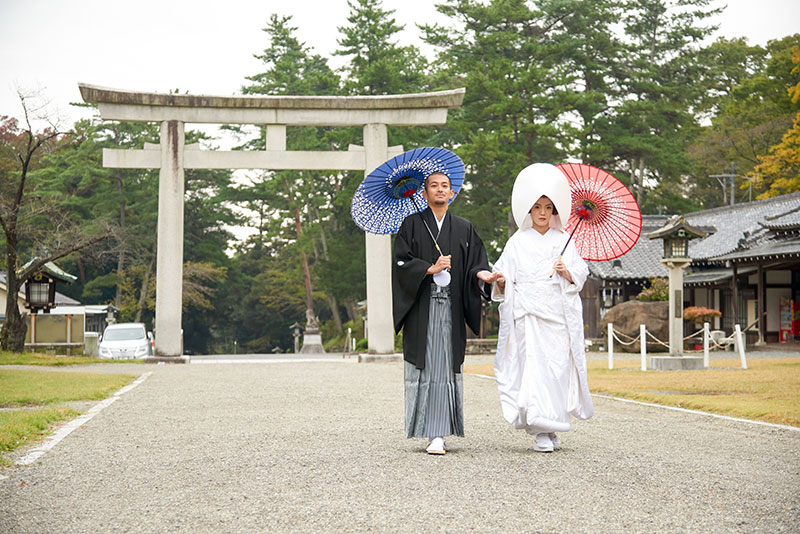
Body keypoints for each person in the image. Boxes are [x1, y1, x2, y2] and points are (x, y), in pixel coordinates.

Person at [491, 163, 593, 453]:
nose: (543, 212)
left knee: (557, 369)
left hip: (557, 315)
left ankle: (553, 423)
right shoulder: (516, 242)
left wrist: (567, 271)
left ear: (555, 211)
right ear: (529, 210)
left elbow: (581, 273)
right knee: (534, 369)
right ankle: (539, 428)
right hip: (528, 314)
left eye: (548, 206)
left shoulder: (564, 241)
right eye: (537, 206)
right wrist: (500, 280)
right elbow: (503, 274)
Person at [393, 171, 497, 455]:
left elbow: (477, 263)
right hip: (423, 308)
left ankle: (437, 432)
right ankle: (433, 433)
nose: (440, 190)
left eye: (445, 186)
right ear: (424, 194)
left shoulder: (464, 228)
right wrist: (429, 268)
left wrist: (484, 276)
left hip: (451, 307)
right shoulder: (411, 225)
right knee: (428, 366)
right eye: (434, 186)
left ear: (452, 193)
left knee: (444, 366)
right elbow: (401, 262)